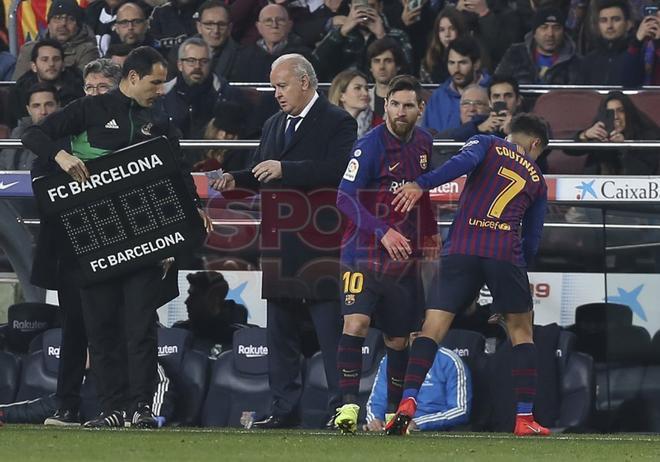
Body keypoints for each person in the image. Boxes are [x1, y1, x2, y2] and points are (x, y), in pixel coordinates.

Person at [21, 46, 213, 429]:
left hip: (145, 240)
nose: (161, 90)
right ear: (132, 79)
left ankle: (140, 407)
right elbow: (34, 134)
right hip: (91, 241)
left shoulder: (160, 120)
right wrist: (60, 157)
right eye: (155, 82)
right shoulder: (87, 110)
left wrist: (194, 209)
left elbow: (176, 170)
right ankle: (111, 409)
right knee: (101, 328)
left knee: (140, 325)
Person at [209, 53, 356, 429]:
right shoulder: (274, 124)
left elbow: (339, 171)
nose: (276, 93)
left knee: (330, 332)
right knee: (281, 336)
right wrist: (234, 179)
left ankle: (342, 408)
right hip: (279, 241)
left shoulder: (338, 121)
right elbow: (261, 170)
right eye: (274, 86)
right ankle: (282, 409)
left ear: (305, 82)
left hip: (320, 239)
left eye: (281, 85)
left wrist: (285, 169)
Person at [387, 113, 551, 437]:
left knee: (431, 329)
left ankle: (407, 402)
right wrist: (514, 289)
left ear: (509, 133)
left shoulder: (486, 143)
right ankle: (524, 418)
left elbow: (460, 165)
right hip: (505, 253)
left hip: (462, 246)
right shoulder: (537, 178)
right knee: (521, 332)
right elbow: (532, 239)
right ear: (535, 144)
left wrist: (422, 183)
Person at [332, 75, 439, 434]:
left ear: (420, 109)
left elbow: (423, 196)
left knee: (398, 339)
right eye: (394, 104)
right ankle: (348, 407)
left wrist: (429, 235)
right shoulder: (370, 145)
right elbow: (344, 197)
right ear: (385, 106)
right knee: (356, 323)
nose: (400, 111)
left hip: (403, 259)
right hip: (361, 251)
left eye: (408, 105)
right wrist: (382, 229)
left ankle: (395, 416)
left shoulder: (424, 145)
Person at [365, 339, 472, 432]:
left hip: (436, 432)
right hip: (395, 427)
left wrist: (418, 423)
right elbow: (376, 401)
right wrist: (375, 419)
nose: (416, 331)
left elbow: (460, 410)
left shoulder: (450, 360)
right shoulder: (390, 360)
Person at [160, 36, 240, 138]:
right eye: (191, 60)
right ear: (180, 65)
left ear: (211, 64)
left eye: (203, 61)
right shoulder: (162, 95)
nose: (197, 66)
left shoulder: (227, 94)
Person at [313, 0, 412, 81]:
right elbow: (317, 64)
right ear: (350, 7)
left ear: (380, 7)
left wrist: (382, 36)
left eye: (371, 6)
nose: (365, 12)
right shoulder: (339, 33)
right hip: (345, 94)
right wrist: (342, 32)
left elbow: (407, 69)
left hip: (384, 92)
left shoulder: (397, 35)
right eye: (359, 7)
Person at [570, 91, 660, 175]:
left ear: (629, 112)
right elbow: (568, 150)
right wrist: (585, 135)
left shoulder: (649, 137)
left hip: (634, 189)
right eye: (611, 112)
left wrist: (624, 148)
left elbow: (646, 172)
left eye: (621, 111)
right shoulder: (600, 130)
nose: (616, 117)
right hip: (596, 187)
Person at [13, 0, 99, 80]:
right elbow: (16, 87)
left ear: (78, 26)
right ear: (49, 24)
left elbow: (84, 86)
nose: (63, 24)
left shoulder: (87, 51)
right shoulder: (29, 49)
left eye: (70, 19)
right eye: (57, 18)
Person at [8, 39, 85, 128]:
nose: (51, 64)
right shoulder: (19, 92)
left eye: (56, 59)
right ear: (34, 66)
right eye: (44, 60)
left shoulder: (80, 90)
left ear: (63, 65)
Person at [421, 36, 490, 135]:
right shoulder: (438, 97)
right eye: (452, 63)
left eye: (462, 63)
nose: (456, 69)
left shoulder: (493, 91)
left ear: (476, 64)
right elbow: (426, 134)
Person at [495, 7, 581, 84]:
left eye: (556, 28)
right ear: (534, 33)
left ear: (563, 32)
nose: (550, 34)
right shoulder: (515, 54)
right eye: (544, 27)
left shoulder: (576, 63)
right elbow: (498, 85)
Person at [230, 3, 313, 82]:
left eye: (280, 20)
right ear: (259, 27)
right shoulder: (242, 56)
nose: (274, 25)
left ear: (289, 25)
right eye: (268, 21)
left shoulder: (304, 56)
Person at [172, 271, 248, 353]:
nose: (187, 302)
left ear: (213, 299)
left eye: (194, 296)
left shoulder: (244, 338)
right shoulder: (179, 333)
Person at [0, 84, 60, 171]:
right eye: (36, 106)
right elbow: (3, 164)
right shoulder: (18, 132)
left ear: (58, 106)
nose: (43, 111)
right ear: (28, 109)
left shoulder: (68, 134)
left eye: (49, 105)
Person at [578, 0, 632, 85]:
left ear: (628, 24)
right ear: (598, 25)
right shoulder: (589, 60)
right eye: (604, 20)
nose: (609, 26)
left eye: (616, 19)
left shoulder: (635, 57)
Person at [193, 99, 250, 172]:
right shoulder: (197, 145)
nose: (223, 136)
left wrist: (214, 165)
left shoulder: (240, 153)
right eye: (220, 129)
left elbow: (216, 181)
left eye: (229, 132)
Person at [419, 6, 468, 84]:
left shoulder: (472, 58)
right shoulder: (428, 62)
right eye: (442, 30)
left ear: (460, 30)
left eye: (452, 29)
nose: (447, 34)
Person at [366, 37, 406, 126]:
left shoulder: (409, 100)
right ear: (370, 67)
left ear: (398, 66)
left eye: (388, 61)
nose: (381, 67)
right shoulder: (362, 98)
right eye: (376, 61)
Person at [328, 69, 372, 137]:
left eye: (366, 89)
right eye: (357, 88)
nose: (365, 93)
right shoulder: (326, 126)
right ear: (341, 96)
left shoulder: (378, 124)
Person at [622, 8, 660, 86]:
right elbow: (627, 80)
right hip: (640, 96)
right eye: (657, 17)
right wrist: (637, 41)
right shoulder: (642, 43)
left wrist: (658, 43)